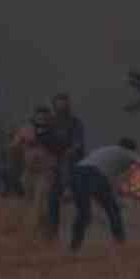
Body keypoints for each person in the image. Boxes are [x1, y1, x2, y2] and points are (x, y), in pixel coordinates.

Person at [69, 138, 140, 251]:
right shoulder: (127, 153)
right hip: (94, 176)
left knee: (84, 213)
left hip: (76, 174)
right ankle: (120, 243)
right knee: (113, 210)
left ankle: (74, 247)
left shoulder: (106, 150)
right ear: (132, 150)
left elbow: (107, 178)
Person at [44, 92, 86, 242]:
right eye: (58, 103)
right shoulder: (50, 123)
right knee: (52, 201)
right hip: (54, 166)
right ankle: (51, 234)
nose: (61, 106)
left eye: (64, 102)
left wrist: (69, 152)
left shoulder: (75, 123)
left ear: (68, 105)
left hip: (73, 164)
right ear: (54, 105)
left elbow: (78, 143)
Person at [10, 106, 58, 221]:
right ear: (35, 117)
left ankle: (38, 225)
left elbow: (58, 146)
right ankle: (26, 223)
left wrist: (43, 141)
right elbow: (14, 145)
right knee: (27, 199)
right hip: (29, 171)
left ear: (48, 117)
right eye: (39, 116)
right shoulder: (26, 129)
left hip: (45, 172)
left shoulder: (54, 130)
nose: (41, 119)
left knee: (40, 199)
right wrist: (17, 145)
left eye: (44, 117)